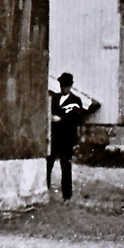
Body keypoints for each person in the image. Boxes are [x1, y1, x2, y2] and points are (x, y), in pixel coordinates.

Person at [48, 72, 86, 202]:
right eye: (61, 85)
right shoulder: (54, 99)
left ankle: (67, 196)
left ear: (70, 86)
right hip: (54, 136)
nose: (63, 88)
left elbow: (77, 120)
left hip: (67, 138)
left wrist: (61, 119)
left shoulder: (75, 101)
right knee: (48, 163)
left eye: (66, 85)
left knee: (65, 165)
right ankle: (46, 189)